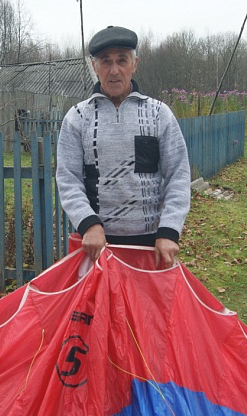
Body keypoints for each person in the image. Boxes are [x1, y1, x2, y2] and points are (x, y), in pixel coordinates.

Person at [56, 25, 191, 269]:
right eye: (105, 62)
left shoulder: (159, 114)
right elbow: (68, 180)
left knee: (148, 309)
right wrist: (89, 224)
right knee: (97, 309)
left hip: (150, 246)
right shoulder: (77, 118)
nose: (114, 70)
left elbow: (178, 177)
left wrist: (169, 231)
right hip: (96, 246)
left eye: (122, 60)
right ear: (94, 66)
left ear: (135, 63)